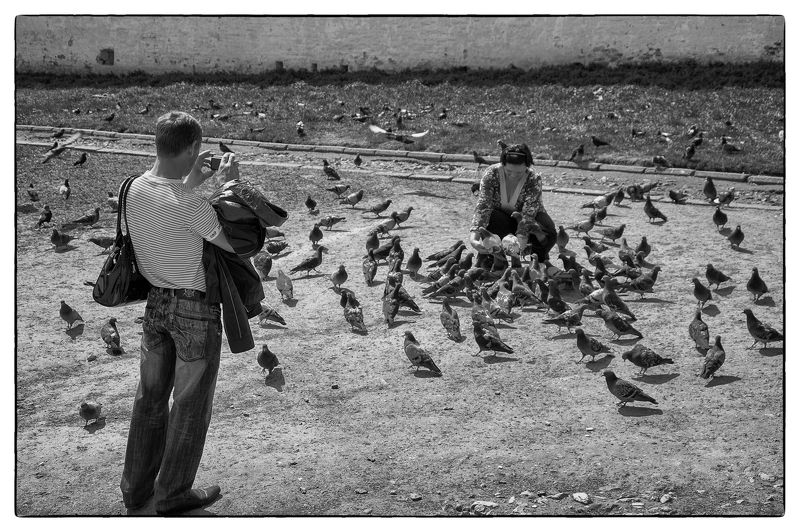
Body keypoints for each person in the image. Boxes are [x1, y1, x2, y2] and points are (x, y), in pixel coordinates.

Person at [120, 111, 238, 515]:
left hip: (155, 305)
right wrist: (230, 183)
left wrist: (191, 182)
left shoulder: (132, 187)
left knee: (149, 399)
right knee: (189, 405)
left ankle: (136, 491)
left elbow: (168, 202)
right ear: (191, 148)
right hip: (194, 309)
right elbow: (235, 245)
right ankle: (172, 494)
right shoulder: (190, 203)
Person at [468, 143, 557, 265]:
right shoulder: (491, 174)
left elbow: (528, 215)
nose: (514, 176)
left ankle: (535, 258)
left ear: (527, 166)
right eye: (509, 172)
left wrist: (521, 243)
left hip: (526, 221)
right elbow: (483, 206)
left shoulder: (533, 178)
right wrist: (474, 239)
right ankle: (494, 257)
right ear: (502, 165)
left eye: (519, 173)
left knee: (548, 231)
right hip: (500, 222)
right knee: (491, 216)